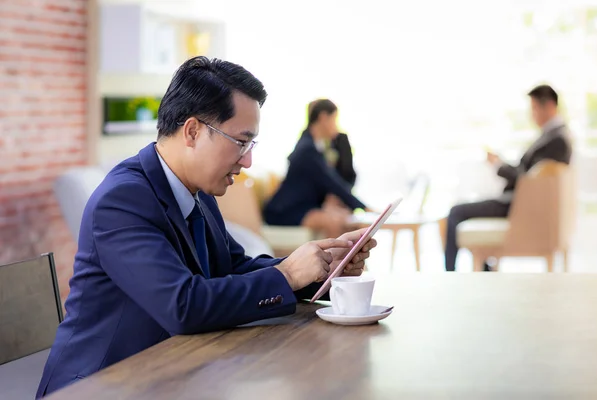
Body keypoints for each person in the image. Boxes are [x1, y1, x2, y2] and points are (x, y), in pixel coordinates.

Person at [36, 57, 377, 398]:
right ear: (193, 131)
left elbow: (233, 267)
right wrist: (286, 275)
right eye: (241, 142)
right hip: (100, 385)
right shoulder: (123, 200)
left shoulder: (196, 191)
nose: (248, 161)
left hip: (172, 374)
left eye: (250, 145)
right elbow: (182, 305)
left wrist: (320, 270)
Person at [445, 84, 572, 272]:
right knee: (460, 208)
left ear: (550, 106)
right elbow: (529, 173)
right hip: (520, 200)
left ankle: (451, 275)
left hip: (517, 204)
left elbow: (526, 180)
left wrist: (498, 166)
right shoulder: (554, 136)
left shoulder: (557, 139)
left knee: (456, 211)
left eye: (534, 108)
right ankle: (485, 270)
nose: (532, 114)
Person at [263, 99, 368, 238]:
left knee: (344, 217)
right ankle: (337, 260)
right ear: (324, 118)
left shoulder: (316, 145)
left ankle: (351, 259)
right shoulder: (307, 149)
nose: (336, 126)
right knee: (334, 221)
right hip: (285, 211)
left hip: (304, 206)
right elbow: (332, 182)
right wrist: (364, 207)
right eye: (334, 120)